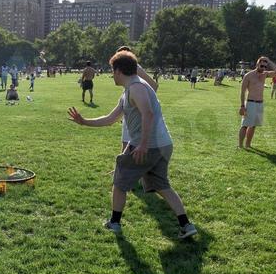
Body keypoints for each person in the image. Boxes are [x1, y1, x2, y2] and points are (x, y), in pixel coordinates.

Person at [66, 51, 198, 241]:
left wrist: (143, 144)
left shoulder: (136, 87)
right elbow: (111, 119)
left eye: (113, 71)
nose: (112, 75)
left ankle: (114, 223)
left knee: (119, 180)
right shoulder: (129, 90)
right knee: (162, 185)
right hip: (162, 144)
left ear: (119, 71)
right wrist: (84, 121)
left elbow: (148, 114)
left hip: (149, 146)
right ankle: (186, 224)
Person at [238, 56, 276, 150]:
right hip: (250, 103)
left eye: (265, 66)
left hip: (260, 103)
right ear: (257, 64)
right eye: (262, 65)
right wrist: (242, 106)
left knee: (253, 126)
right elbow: (242, 92)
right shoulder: (248, 75)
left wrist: (269, 61)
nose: (263, 68)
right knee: (245, 125)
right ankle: (240, 145)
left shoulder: (265, 74)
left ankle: (248, 145)